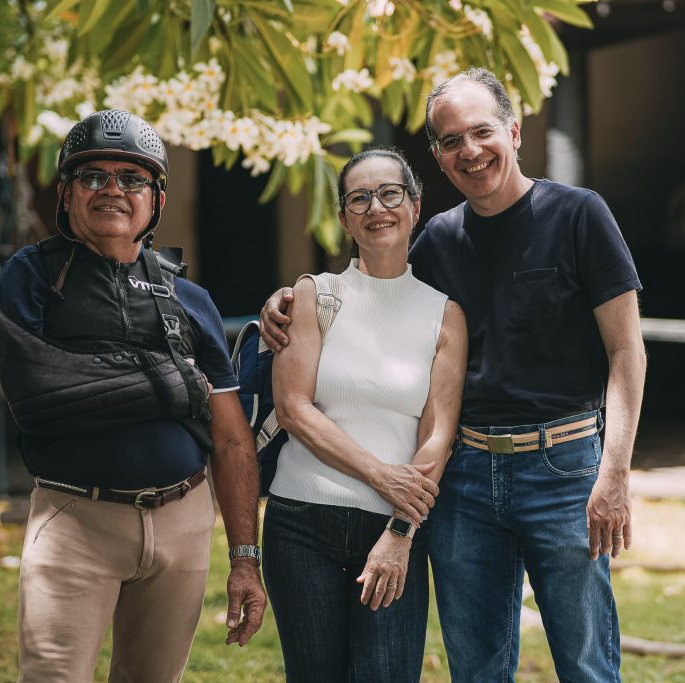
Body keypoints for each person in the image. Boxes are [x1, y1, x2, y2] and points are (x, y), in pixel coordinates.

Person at [261, 69, 646, 682]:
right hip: (464, 480)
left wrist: (615, 472)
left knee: (586, 663)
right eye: (449, 141)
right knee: (476, 668)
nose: (469, 150)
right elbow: (379, 291)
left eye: (482, 131)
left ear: (514, 132)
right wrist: (290, 300)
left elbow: (628, 353)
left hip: (565, 468)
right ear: (437, 159)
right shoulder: (438, 238)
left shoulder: (578, 215)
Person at [0, 109, 266, 682]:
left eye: (132, 179)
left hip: (184, 523)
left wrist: (244, 557)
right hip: (74, 519)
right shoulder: (35, 276)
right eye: (93, 176)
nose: (112, 189)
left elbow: (232, 436)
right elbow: (38, 392)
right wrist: (173, 381)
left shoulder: (190, 298)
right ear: (66, 195)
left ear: (157, 201)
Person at [262, 148, 467, 683]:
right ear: (343, 218)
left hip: (394, 526)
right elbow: (293, 409)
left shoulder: (445, 314)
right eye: (359, 198)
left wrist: (401, 530)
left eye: (390, 193)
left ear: (415, 206)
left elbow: (438, 435)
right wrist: (380, 474)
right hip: (300, 525)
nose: (377, 207)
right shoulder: (314, 295)